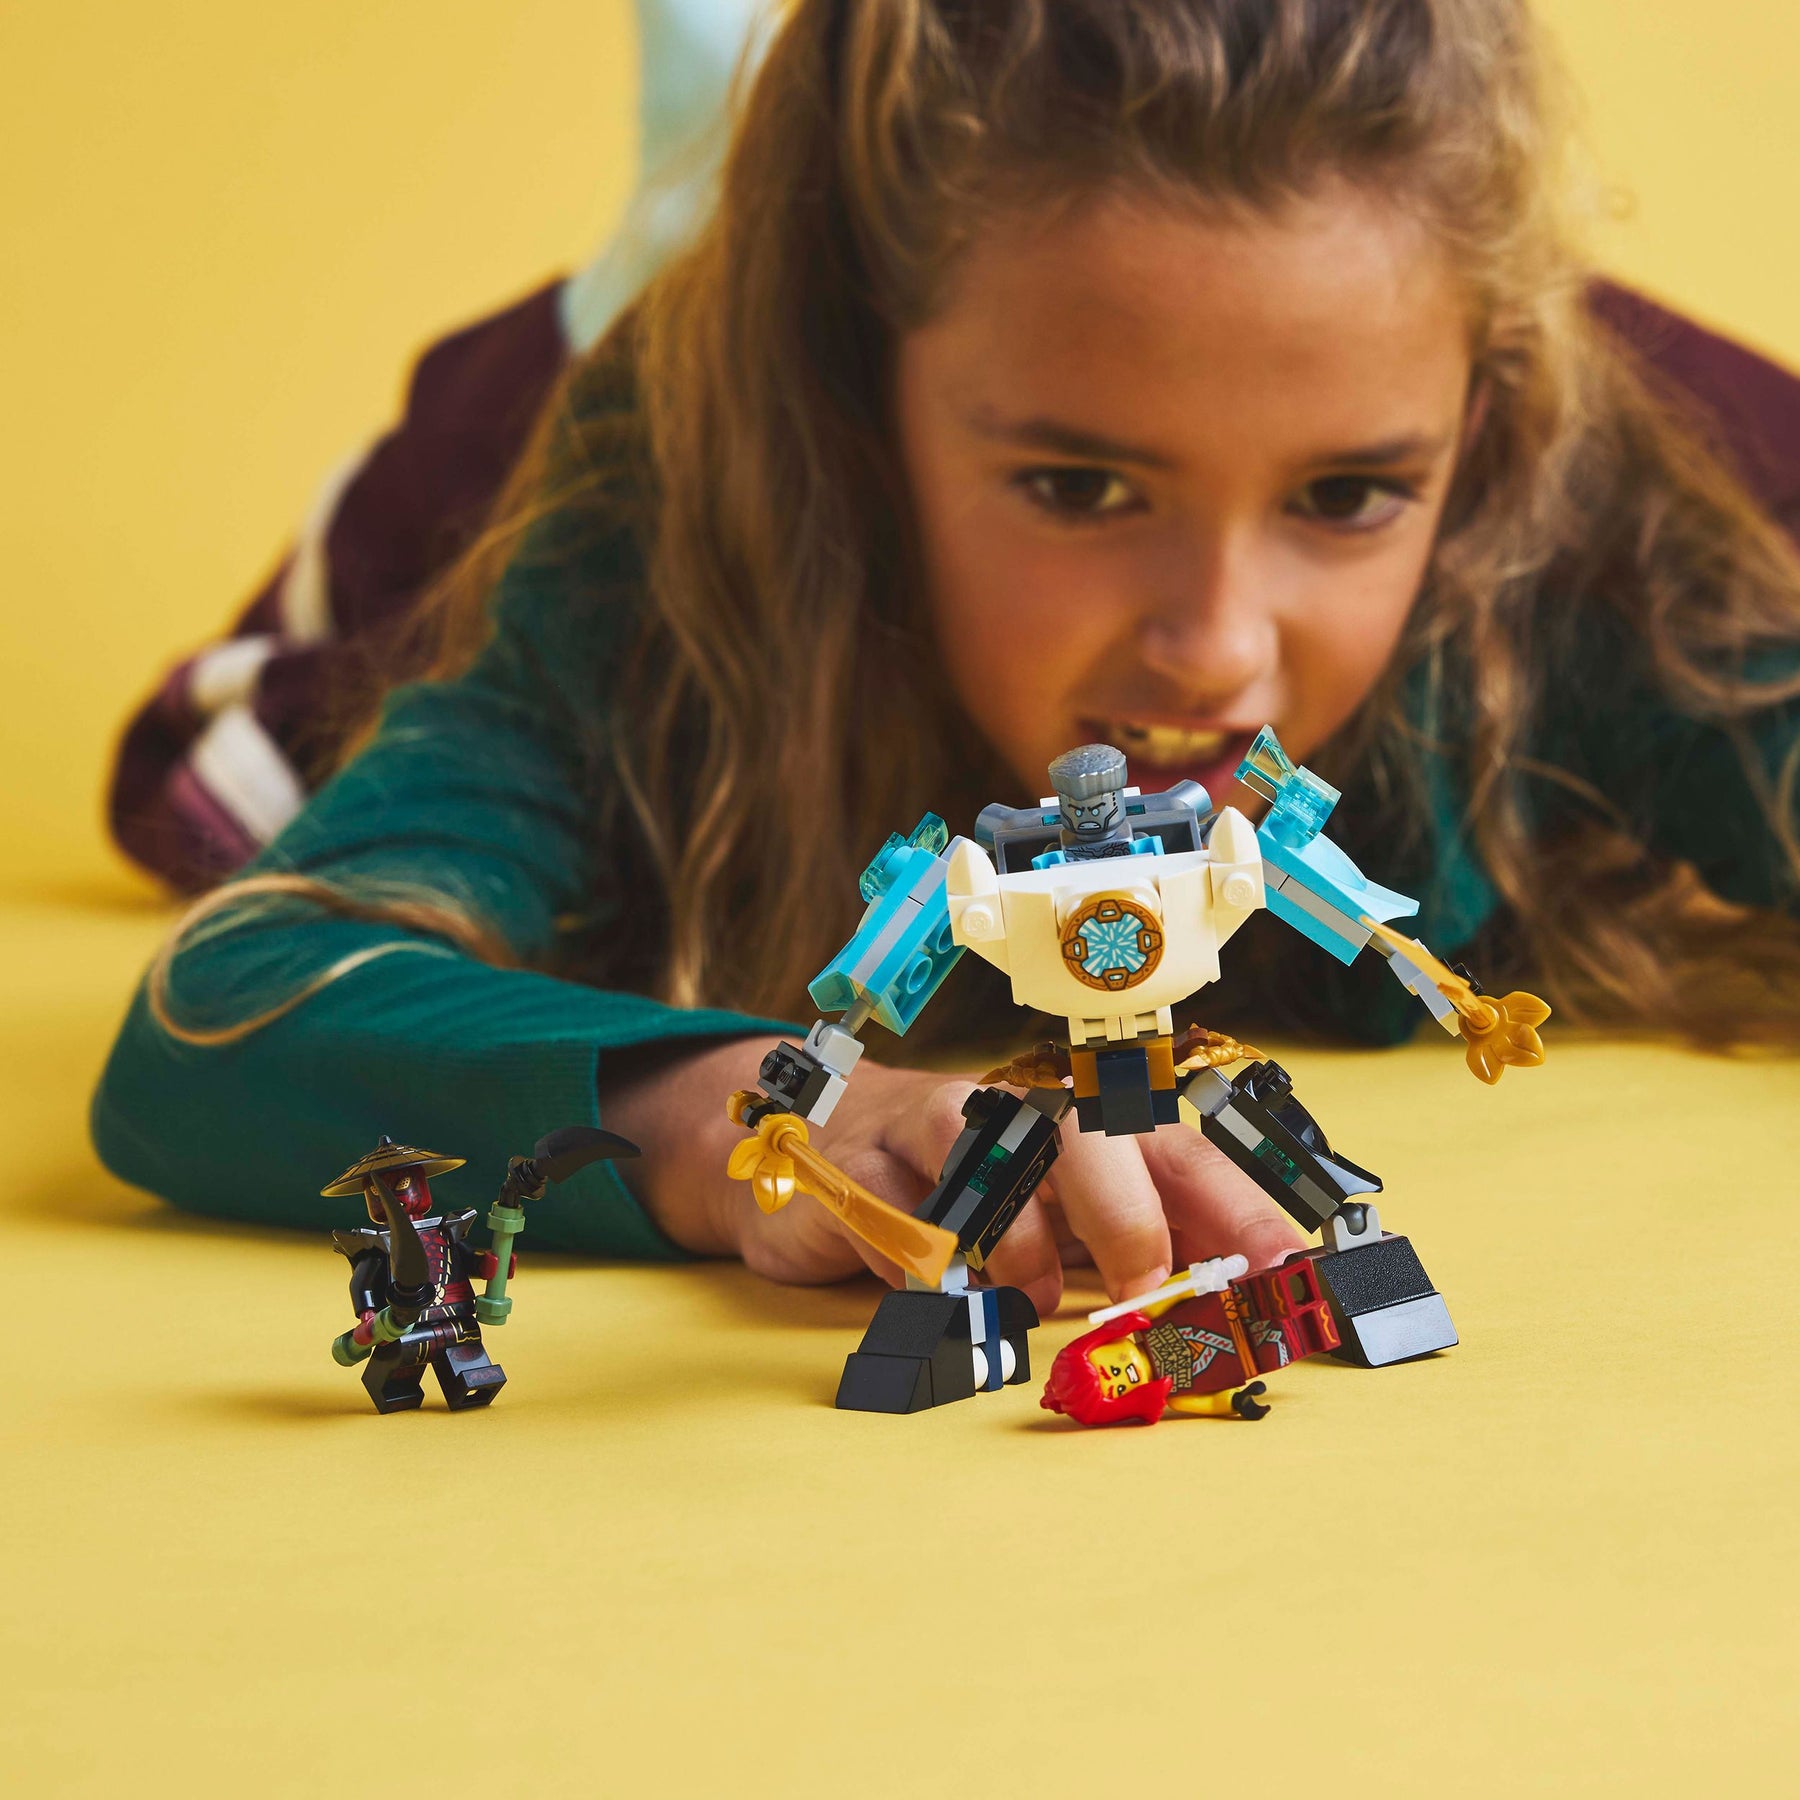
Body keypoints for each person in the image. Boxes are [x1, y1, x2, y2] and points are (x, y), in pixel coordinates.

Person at [95, 0, 1800, 1328]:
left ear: (1478, 430)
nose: (1218, 648)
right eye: (1080, 487)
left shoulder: (1615, 506)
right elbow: (232, 1004)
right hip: (530, 456)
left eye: (1350, 496)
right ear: (863, 422)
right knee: (257, 751)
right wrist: (756, 1117)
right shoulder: (673, 501)